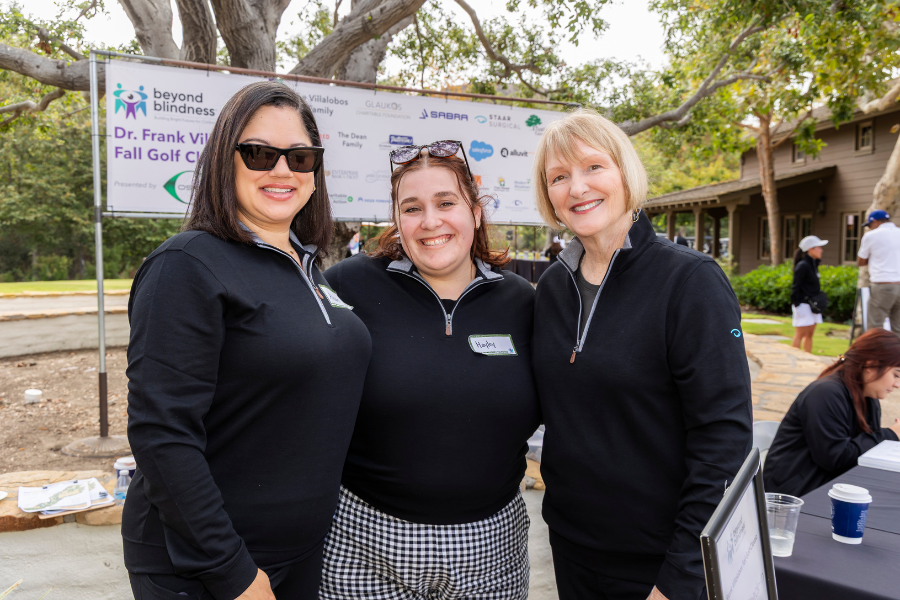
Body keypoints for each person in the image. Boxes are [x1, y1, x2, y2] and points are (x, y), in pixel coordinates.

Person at [123, 82, 372, 600]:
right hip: (209, 569)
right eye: (259, 153)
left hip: (301, 554)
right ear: (224, 159)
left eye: (300, 157)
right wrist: (232, 572)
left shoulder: (309, 267)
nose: (282, 170)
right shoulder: (187, 264)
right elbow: (162, 435)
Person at [531, 108, 752, 600]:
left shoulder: (690, 282)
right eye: (559, 177)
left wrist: (680, 575)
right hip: (571, 547)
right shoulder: (551, 288)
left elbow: (724, 439)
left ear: (625, 173)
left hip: (657, 563)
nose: (578, 187)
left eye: (593, 167)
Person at [320, 140, 540, 599]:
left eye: (446, 202)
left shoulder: (525, 302)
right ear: (397, 221)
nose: (431, 221)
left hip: (491, 548)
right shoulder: (347, 286)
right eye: (412, 207)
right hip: (364, 542)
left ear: (476, 212)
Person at [763, 329, 900, 497]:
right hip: (795, 498)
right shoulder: (825, 393)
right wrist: (891, 434)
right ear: (871, 365)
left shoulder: (868, 397)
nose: (897, 384)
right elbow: (837, 459)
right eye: (896, 374)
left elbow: (861, 455)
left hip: (826, 489)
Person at [858, 209, 900, 335]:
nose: (870, 228)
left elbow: (861, 261)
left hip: (883, 284)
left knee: (874, 327)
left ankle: (874, 355)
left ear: (875, 222)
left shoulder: (871, 236)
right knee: (897, 328)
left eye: (869, 225)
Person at [791, 235, 828, 353]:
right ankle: (795, 357)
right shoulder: (803, 266)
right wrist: (797, 304)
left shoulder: (813, 265)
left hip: (813, 304)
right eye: (818, 247)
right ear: (810, 249)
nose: (821, 250)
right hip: (802, 304)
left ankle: (808, 357)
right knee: (800, 334)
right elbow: (796, 286)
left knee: (809, 334)